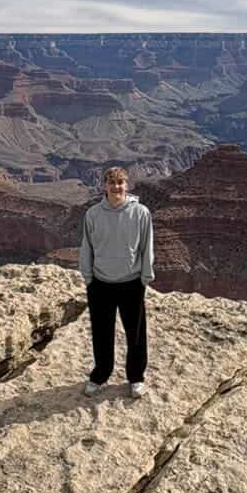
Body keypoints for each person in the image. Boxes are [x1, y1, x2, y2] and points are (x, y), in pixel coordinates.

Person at [78, 164, 154, 398]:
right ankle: (101, 374)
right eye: (111, 183)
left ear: (126, 185)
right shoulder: (93, 214)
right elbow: (86, 247)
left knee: (136, 333)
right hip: (100, 283)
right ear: (105, 186)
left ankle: (136, 377)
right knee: (102, 332)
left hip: (131, 282)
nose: (116, 187)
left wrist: (145, 276)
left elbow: (146, 246)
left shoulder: (141, 213)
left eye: (120, 182)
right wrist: (88, 277)